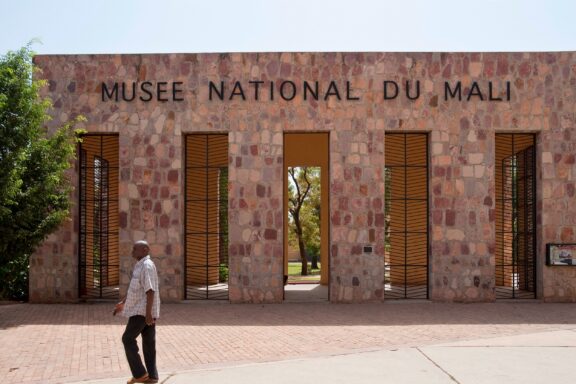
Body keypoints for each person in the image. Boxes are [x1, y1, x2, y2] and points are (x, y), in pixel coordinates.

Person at [113, 240, 160, 384]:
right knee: (148, 344)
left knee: (127, 339)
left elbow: (150, 291)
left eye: (135, 249)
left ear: (145, 250)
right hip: (142, 311)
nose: (132, 251)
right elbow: (137, 288)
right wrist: (124, 302)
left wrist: (148, 314)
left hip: (142, 312)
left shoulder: (146, 266)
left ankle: (140, 374)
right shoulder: (140, 265)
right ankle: (151, 376)